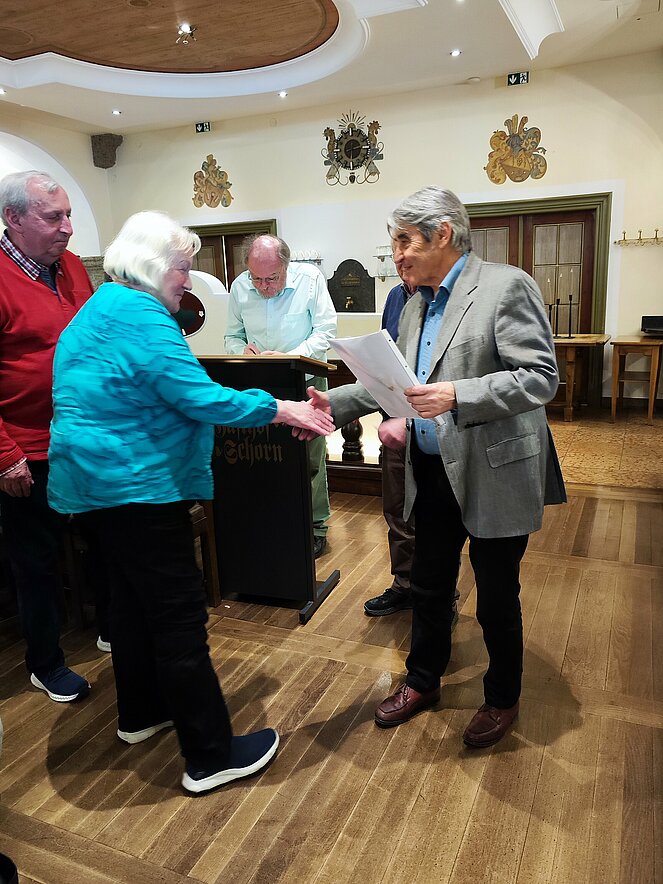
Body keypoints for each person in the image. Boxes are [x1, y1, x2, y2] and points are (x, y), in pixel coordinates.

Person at [47, 211, 334, 794]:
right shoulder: (144, 316)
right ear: (155, 266)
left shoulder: (102, 305)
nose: (189, 279)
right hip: (139, 488)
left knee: (129, 606)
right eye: (183, 267)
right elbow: (199, 396)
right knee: (179, 618)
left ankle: (140, 713)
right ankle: (210, 755)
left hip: (93, 488)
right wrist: (282, 408)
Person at [311, 186, 566, 748]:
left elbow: (540, 378)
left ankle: (502, 696)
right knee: (428, 585)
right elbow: (397, 382)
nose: (397, 255)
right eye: (394, 243)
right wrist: (336, 402)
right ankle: (422, 681)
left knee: (496, 594)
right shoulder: (413, 303)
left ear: (443, 233)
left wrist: (457, 394)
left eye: (405, 241)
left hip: (494, 467)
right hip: (430, 467)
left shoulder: (505, 286)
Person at [0, 170, 93, 703]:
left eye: (69, 215)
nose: (67, 228)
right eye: (53, 217)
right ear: (13, 218)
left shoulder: (72, 267)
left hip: (80, 437)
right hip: (26, 449)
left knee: (104, 538)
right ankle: (45, 662)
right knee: (35, 560)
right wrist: (5, 454)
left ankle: (109, 628)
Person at [224, 234, 337, 558]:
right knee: (264, 456)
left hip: (305, 380)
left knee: (310, 459)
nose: (263, 286)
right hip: (259, 384)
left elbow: (326, 332)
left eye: (271, 278)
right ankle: (273, 522)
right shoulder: (240, 286)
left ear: (286, 265)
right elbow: (232, 335)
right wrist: (240, 351)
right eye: (256, 278)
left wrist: (290, 357)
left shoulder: (310, 279)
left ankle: (315, 527)